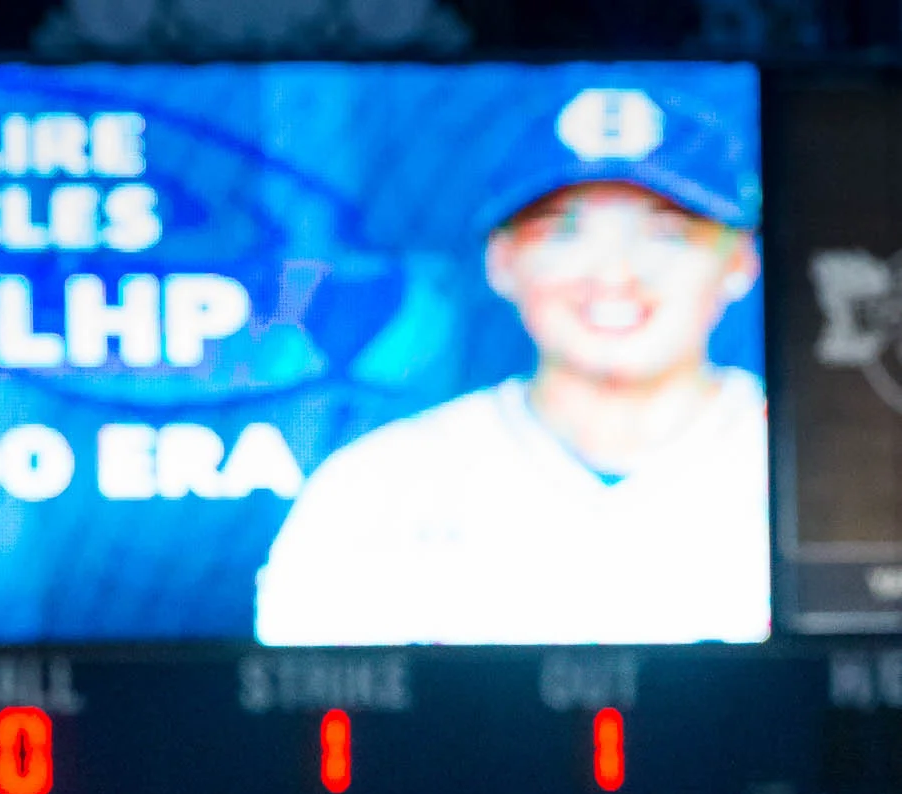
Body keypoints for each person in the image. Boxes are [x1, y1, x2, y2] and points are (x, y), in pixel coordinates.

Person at [256, 77, 769, 646]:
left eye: (667, 234)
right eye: (563, 233)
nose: (616, 274)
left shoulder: (818, 468)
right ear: (502, 262)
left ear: (740, 262)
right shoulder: (377, 488)